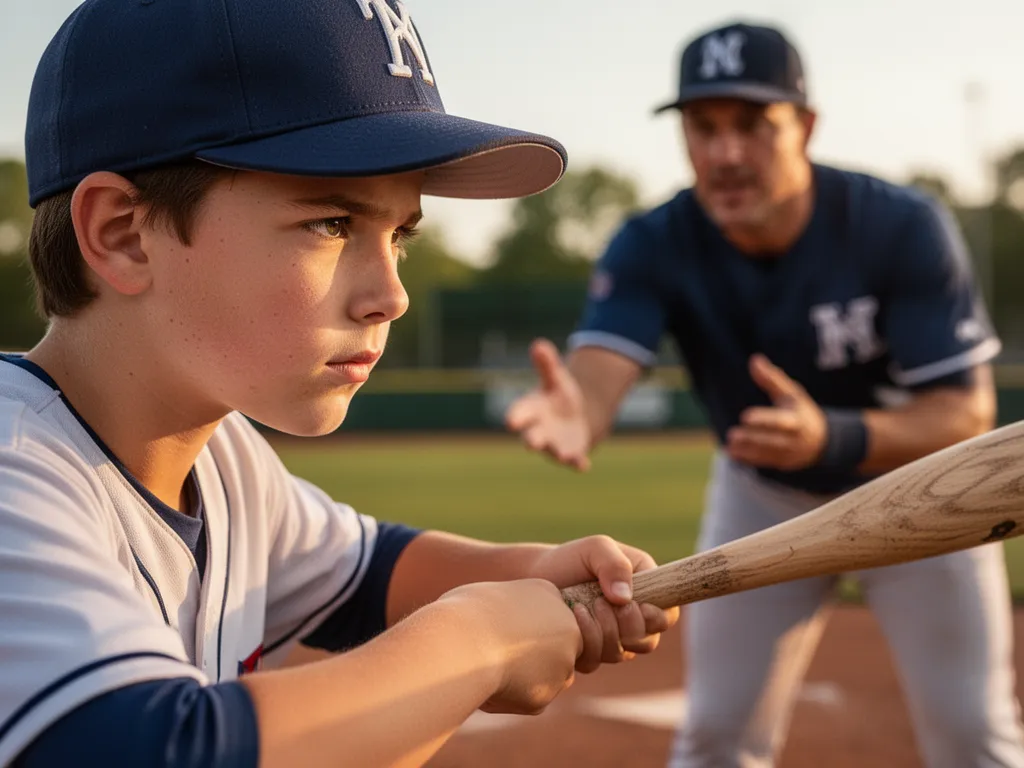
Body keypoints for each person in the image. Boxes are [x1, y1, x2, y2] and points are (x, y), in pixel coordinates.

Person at [0, 1, 681, 766]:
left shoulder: (222, 459)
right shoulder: (12, 468)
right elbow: (148, 749)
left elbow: (366, 572)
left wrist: (526, 572)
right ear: (123, 234)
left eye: (399, 236)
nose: (392, 296)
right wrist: (480, 641)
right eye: (332, 224)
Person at [506, 20, 1024, 768]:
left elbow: (964, 413)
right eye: (703, 127)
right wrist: (576, 409)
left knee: (973, 734)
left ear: (805, 126)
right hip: (764, 496)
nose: (725, 153)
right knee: (716, 733)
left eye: (753, 124)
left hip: (923, 495)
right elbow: (597, 373)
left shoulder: (897, 225)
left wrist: (834, 437)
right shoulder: (655, 240)